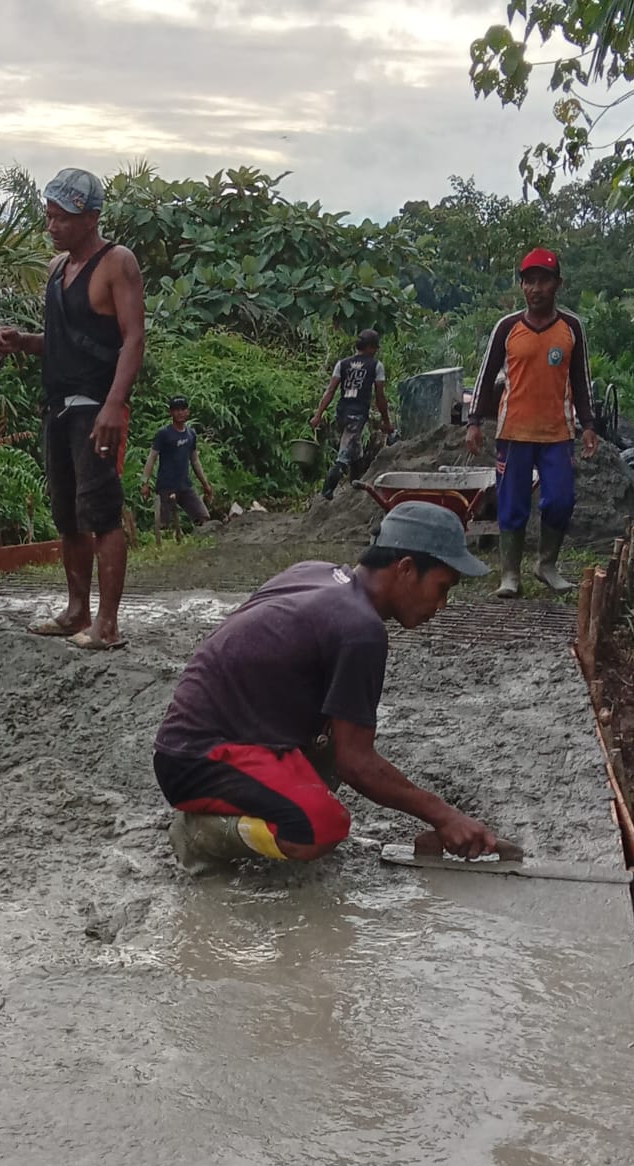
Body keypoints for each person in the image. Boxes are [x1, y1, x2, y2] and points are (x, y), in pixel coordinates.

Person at [153, 502, 501, 868]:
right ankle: (199, 835)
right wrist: (444, 815)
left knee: (334, 738)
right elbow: (357, 764)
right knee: (321, 827)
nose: (442, 604)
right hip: (197, 758)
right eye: (442, 587)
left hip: (203, 738)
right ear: (406, 569)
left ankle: (264, 807)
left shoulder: (318, 572)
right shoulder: (361, 630)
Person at [0, 169, 145, 651]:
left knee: (102, 514)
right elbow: (61, 342)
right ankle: (76, 610)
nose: (53, 225)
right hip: (57, 407)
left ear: (91, 217)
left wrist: (115, 405)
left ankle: (108, 624)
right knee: (68, 516)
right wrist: (23, 342)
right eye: (50, 215)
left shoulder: (116, 263)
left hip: (95, 408)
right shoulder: (59, 270)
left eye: (63, 217)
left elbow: (133, 338)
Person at [467, 248, 599, 599]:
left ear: (558, 284)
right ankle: (510, 574)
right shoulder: (507, 328)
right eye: (529, 281)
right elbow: (485, 375)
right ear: (522, 286)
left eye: (543, 280)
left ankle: (546, 564)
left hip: (557, 433)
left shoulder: (571, 328)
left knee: (560, 499)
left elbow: (582, 380)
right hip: (514, 432)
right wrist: (475, 421)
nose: (536, 288)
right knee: (512, 503)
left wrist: (588, 424)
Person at [310, 329, 393, 499]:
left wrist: (318, 415)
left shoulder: (342, 364)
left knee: (356, 452)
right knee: (344, 456)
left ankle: (355, 489)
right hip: (357, 416)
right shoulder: (376, 366)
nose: (376, 351)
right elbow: (380, 397)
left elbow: (330, 390)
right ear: (370, 347)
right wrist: (386, 421)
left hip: (341, 414)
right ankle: (326, 493)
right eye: (375, 347)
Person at [140, 397, 213, 537]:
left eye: (183, 409)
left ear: (188, 412)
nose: (180, 413)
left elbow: (195, 460)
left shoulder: (191, 434)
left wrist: (205, 484)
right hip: (166, 487)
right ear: (170, 413)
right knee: (163, 526)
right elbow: (152, 458)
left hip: (185, 486)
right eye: (176, 410)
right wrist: (145, 483)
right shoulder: (164, 434)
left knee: (203, 518)